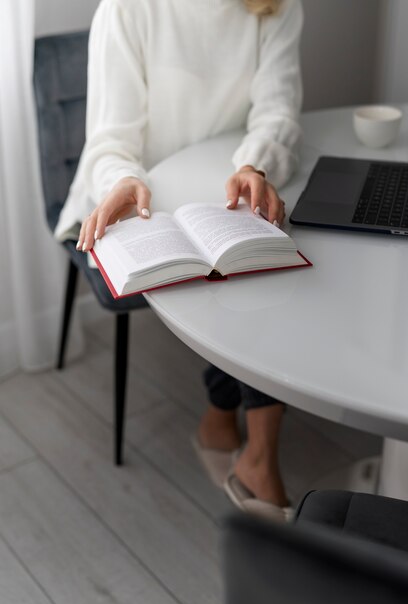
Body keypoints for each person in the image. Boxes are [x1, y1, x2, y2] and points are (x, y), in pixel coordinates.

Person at [57, 0, 303, 522]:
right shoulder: (128, 9)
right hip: (134, 202)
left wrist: (255, 161)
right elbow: (110, 142)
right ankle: (238, 436)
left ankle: (233, 430)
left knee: (262, 257)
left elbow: (277, 112)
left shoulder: (276, 6)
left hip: (224, 194)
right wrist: (122, 179)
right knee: (237, 281)